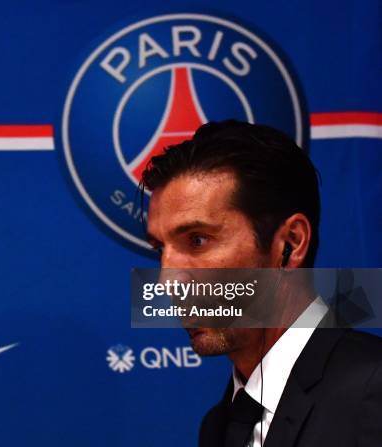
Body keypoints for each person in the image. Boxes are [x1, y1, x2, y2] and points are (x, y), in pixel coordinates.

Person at [142, 120, 382, 447]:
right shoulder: (218, 426)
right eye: (160, 250)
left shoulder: (373, 391)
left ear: (290, 243)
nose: (167, 279)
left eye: (197, 240)